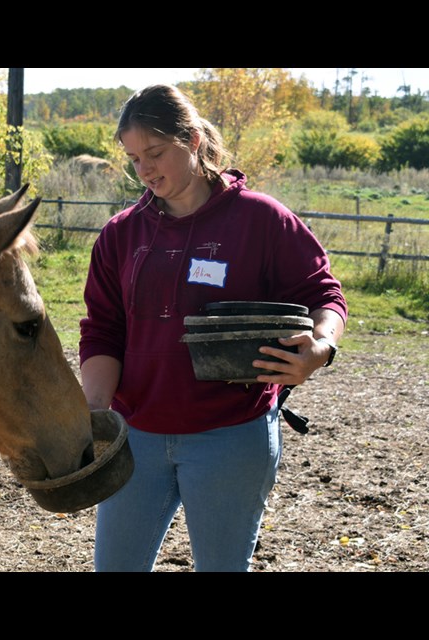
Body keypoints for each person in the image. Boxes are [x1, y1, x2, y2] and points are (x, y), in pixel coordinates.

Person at [79, 84, 348, 572]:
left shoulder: (260, 220)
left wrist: (321, 347)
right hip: (135, 436)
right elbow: (103, 329)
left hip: (231, 435)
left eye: (156, 153)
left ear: (194, 141)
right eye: (133, 158)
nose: (144, 170)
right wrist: (94, 415)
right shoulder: (122, 233)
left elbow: (324, 293)